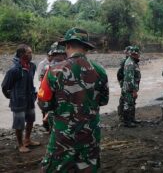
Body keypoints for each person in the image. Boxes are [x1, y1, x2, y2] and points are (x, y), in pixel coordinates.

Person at [37, 28, 109, 172]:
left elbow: (43, 103)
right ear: (86, 47)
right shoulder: (100, 71)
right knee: (87, 167)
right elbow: (103, 101)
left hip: (63, 135)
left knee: (56, 167)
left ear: (68, 45)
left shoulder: (53, 71)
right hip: (90, 134)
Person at [1, 44, 40, 153]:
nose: (31, 54)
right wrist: (11, 97)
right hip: (18, 101)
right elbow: (5, 86)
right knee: (19, 123)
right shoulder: (14, 70)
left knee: (31, 119)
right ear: (22, 54)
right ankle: (20, 144)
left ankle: (27, 140)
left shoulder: (32, 66)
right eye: (29, 52)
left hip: (30, 98)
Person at [38, 42, 67, 133]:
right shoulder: (68, 66)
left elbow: (43, 100)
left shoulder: (52, 68)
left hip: (51, 104)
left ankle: (48, 127)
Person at [122, 46, 141, 127]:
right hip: (129, 89)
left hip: (131, 88)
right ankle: (127, 122)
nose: (139, 55)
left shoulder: (133, 62)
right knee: (128, 105)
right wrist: (134, 91)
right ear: (134, 54)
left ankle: (132, 119)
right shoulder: (130, 63)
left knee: (132, 104)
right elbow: (129, 79)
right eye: (138, 54)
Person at [117, 46, 132, 121]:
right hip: (124, 83)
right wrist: (121, 83)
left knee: (128, 100)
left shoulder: (132, 61)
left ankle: (128, 116)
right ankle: (121, 116)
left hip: (128, 84)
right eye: (128, 52)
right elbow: (119, 73)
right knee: (123, 99)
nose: (129, 53)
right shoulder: (124, 61)